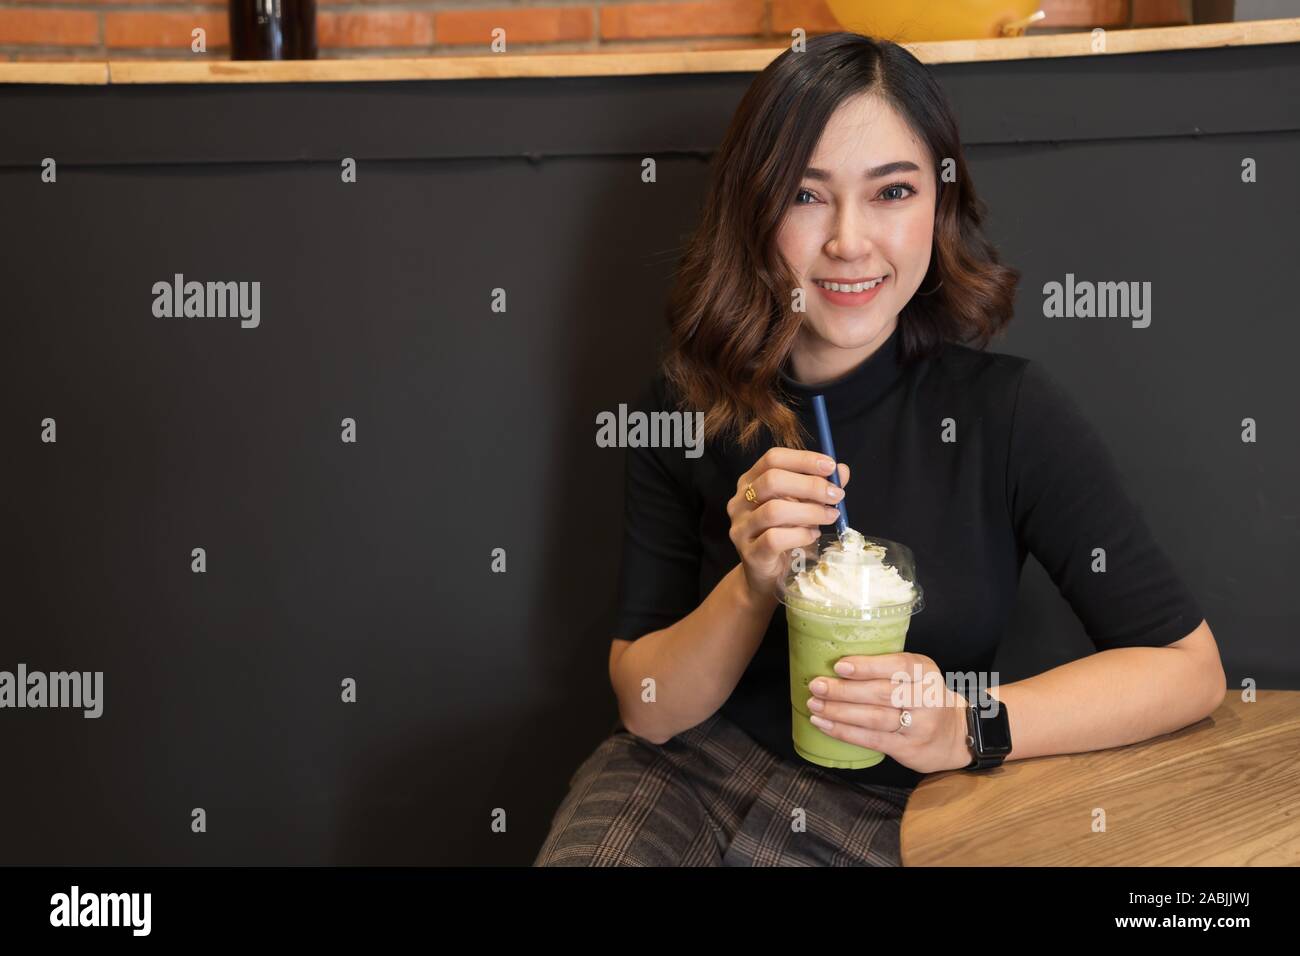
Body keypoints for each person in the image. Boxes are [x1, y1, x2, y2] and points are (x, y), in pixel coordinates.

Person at [534, 32, 1226, 867]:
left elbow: (1189, 670)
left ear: (939, 201)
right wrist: (752, 583)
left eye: (892, 191)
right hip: (681, 776)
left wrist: (967, 726)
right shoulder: (687, 407)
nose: (850, 242)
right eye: (805, 195)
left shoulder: (1006, 412)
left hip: (901, 807)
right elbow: (647, 707)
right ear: (754, 214)